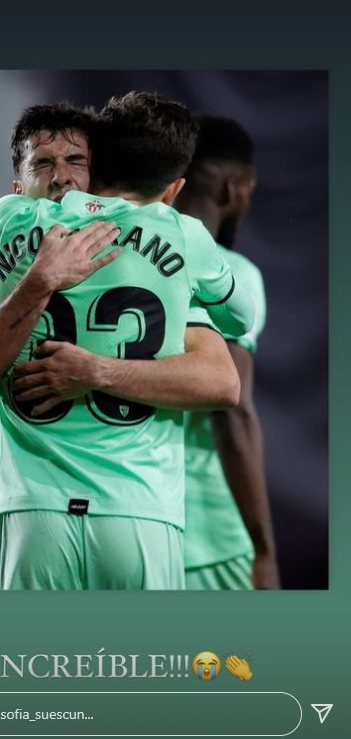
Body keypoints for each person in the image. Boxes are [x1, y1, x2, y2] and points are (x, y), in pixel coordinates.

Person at [0, 91, 253, 590]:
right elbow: (240, 319)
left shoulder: (7, 218)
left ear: (98, 164)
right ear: (174, 188)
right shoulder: (183, 237)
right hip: (139, 507)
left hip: (33, 510)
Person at [0, 103, 119, 588]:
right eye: (42, 163)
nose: (61, 176)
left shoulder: (140, 255)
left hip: (120, 515)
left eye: (76, 160)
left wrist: (98, 372)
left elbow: (221, 382)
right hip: (9, 519)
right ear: (17, 188)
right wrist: (39, 280)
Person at [175, 115, 280, 590]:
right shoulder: (232, 273)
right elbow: (231, 411)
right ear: (234, 188)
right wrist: (264, 551)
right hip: (211, 537)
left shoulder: (127, 258)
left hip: (133, 515)